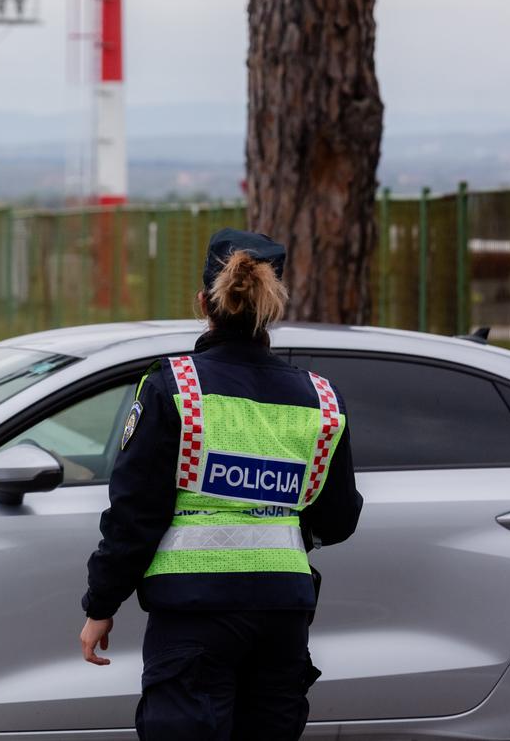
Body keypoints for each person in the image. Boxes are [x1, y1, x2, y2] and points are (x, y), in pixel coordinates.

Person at [78, 228, 363, 741]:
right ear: (272, 309)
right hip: (283, 617)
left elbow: (134, 515)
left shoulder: (174, 387)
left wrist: (101, 604)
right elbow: (339, 518)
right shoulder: (321, 398)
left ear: (204, 303)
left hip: (194, 616)